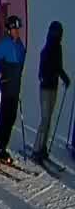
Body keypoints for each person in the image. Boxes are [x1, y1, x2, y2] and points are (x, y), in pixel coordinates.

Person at [0, 14, 28, 164]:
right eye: (14, 29)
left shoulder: (20, 45)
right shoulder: (4, 44)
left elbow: (22, 63)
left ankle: (2, 148)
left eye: (18, 28)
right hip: (6, 86)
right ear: (9, 30)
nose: (17, 31)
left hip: (15, 87)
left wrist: (18, 76)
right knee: (2, 119)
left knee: (11, 119)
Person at [34, 20, 70, 164]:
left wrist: (64, 78)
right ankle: (36, 149)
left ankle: (42, 147)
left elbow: (58, 67)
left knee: (48, 120)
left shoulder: (58, 48)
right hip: (45, 89)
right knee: (44, 120)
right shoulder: (47, 49)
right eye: (56, 33)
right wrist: (46, 76)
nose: (57, 36)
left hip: (53, 88)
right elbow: (41, 71)